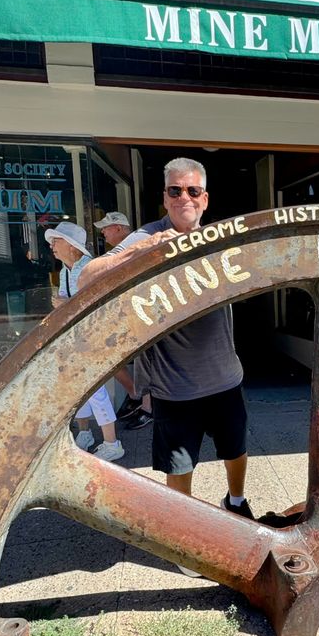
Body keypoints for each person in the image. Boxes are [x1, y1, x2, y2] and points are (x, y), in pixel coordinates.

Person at [79, 157, 253, 524]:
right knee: (180, 464)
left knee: (235, 449)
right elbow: (87, 278)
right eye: (175, 191)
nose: (184, 198)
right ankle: (185, 527)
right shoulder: (148, 236)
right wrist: (146, 249)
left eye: (193, 191)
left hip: (224, 376)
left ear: (205, 199)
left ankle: (236, 501)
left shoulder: (217, 238)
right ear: (165, 197)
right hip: (174, 385)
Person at [45, 221, 125, 461]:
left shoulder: (89, 269)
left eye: (56, 241)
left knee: (95, 390)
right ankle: (85, 434)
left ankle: (112, 443)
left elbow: (96, 304)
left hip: (91, 338)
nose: (52, 245)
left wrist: (65, 305)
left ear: (72, 246)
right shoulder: (65, 271)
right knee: (78, 388)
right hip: (76, 338)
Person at [94, 211, 153, 430]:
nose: (103, 232)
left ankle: (148, 407)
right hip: (133, 311)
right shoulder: (124, 250)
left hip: (144, 310)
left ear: (118, 228)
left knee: (146, 358)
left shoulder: (134, 247)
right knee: (132, 358)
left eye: (106, 228)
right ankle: (140, 398)